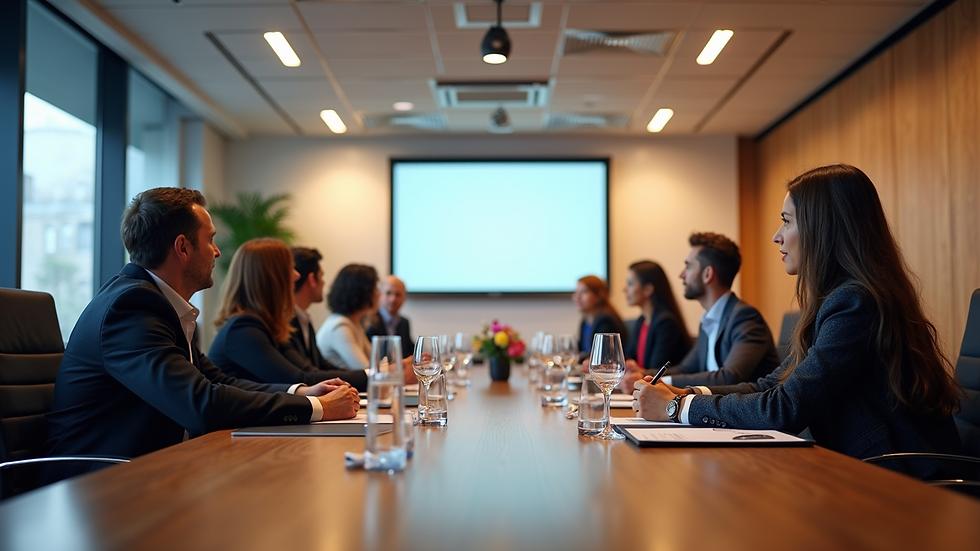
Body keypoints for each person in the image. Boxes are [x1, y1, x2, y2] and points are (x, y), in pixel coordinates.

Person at [633, 164, 966, 478]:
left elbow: (784, 409)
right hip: (860, 470)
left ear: (824, 228)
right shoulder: (839, 300)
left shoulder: (856, 303)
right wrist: (687, 392)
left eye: (787, 221)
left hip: (902, 483)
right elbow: (771, 385)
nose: (777, 236)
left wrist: (678, 408)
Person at [41, 188, 359, 484]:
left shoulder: (162, 304)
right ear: (183, 247)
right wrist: (319, 407)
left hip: (153, 472)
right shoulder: (131, 308)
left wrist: (303, 394)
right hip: (94, 486)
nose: (218, 252)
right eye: (210, 241)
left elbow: (219, 382)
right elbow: (202, 404)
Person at [620, 233, 779, 391]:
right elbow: (686, 369)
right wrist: (644, 374)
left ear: (707, 274)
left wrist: (659, 381)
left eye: (688, 266)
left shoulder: (745, 318)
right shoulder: (708, 320)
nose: (681, 274)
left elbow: (730, 377)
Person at [208, 239, 369, 391]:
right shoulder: (242, 329)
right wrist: (373, 376)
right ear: (272, 278)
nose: (297, 275)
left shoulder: (267, 325)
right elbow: (297, 379)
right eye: (290, 268)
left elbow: (305, 374)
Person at [622, 261, 691, 373]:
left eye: (630, 284)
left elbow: (657, 369)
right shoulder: (642, 320)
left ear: (648, 290)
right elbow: (629, 356)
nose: (624, 289)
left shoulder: (666, 322)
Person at [316, 264, 380, 370]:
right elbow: (366, 370)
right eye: (374, 288)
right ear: (361, 292)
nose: (378, 294)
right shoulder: (340, 326)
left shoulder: (353, 322)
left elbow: (375, 362)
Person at [574, 275, 627, 359]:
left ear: (598, 296)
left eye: (584, 292)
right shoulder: (585, 321)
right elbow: (580, 351)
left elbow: (603, 357)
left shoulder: (606, 320)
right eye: (576, 292)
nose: (577, 297)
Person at [365, 275, 413, 359]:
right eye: (388, 293)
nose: (393, 299)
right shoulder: (369, 321)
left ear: (404, 298)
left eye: (398, 294)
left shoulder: (404, 323)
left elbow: (410, 352)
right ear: (379, 295)